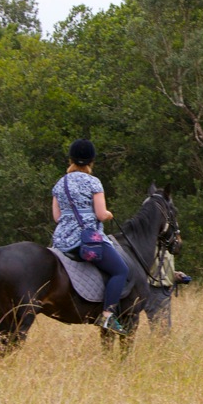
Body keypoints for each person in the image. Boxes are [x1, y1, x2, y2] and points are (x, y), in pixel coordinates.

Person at [51, 139, 131, 336]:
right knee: (121, 270)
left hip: (61, 242)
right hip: (87, 239)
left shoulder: (60, 184)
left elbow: (57, 217)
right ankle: (108, 315)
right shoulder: (93, 182)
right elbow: (101, 214)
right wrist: (110, 215)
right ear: (91, 161)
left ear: (71, 159)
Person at [145, 244, 190, 333]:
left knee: (162, 332)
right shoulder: (152, 244)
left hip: (162, 291)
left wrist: (174, 275)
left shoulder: (166, 245)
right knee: (161, 333)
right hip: (155, 290)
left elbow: (158, 269)